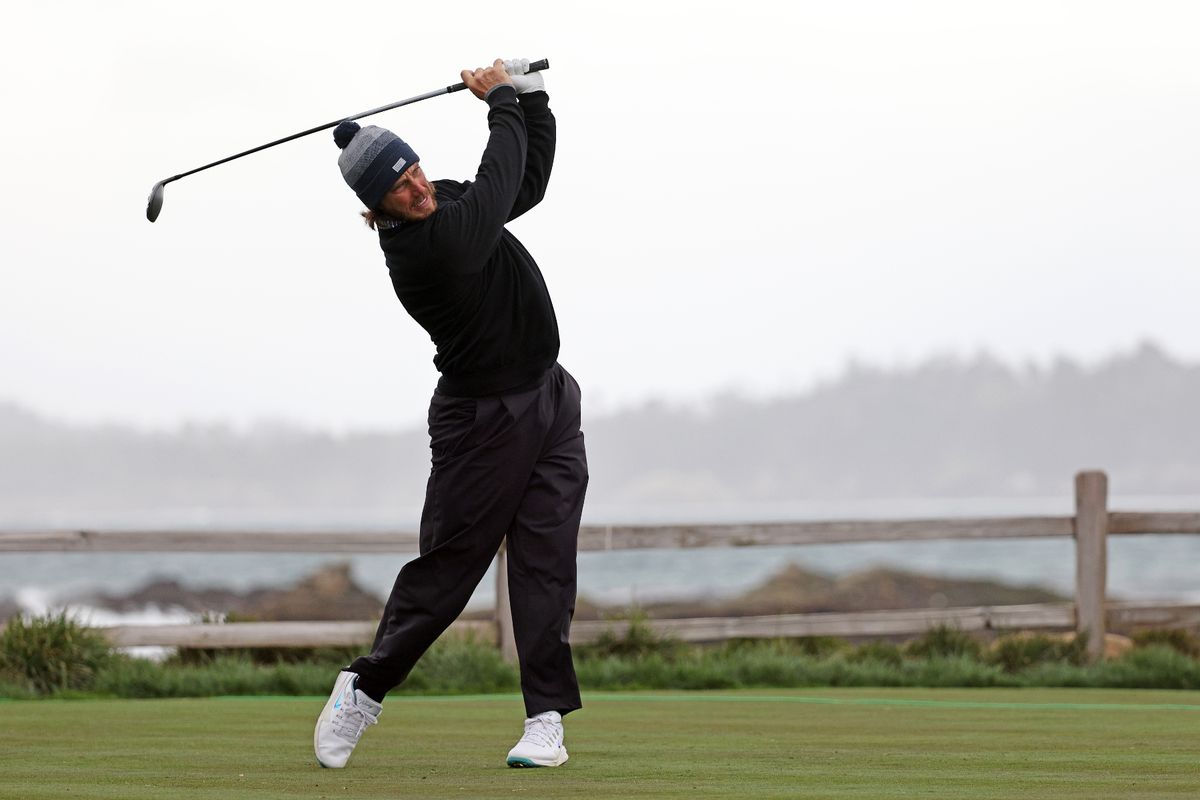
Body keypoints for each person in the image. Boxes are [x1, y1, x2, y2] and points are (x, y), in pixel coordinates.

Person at [314, 58, 588, 770]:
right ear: (376, 209)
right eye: (397, 190)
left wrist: (531, 102)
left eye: (413, 173)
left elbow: (522, 184)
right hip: (482, 421)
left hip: (551, 397)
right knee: (449, 569)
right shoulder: (422, 250)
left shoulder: (446, 202)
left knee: (547, 563)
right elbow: (494, 187)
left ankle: (545, 721)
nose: (415, 188)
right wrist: (497, 100)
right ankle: (363, 688)